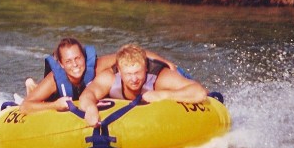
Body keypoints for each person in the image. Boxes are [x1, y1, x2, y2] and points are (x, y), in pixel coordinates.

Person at [19, 38, 176, 115]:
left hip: (88, 98)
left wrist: (166, 62)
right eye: (68, 61)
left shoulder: (98, 66)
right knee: (40, 97)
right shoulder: (54, 79)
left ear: (84, 57)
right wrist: (54, 106)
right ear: (61, 64)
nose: (75, 64)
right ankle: (33, 86)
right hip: (59, 99)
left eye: (78, 58)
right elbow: (25, 106)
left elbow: (135, 54)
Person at [79, 44, 208, 127]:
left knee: (206, 92)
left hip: (175, 77)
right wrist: (90, 107)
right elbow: (88, 94)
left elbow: (199, 92)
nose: (134, 79)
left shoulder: (160, 78)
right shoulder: (110, 77)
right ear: (119, 70)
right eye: (128, 74)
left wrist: (162, 95)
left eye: (137, 72)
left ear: (145, 68)